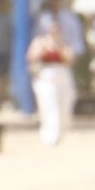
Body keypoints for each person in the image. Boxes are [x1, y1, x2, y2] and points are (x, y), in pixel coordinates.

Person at [25, 14, 75, 146]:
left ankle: (60, 132)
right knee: (49, 106)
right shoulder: (39, 42)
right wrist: (44, 48)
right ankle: (49, 134)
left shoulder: (64, 43)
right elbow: (31, 57)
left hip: (62, 75)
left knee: (64, 106)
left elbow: (70, 59)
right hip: (45, 76)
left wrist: (59, 46)